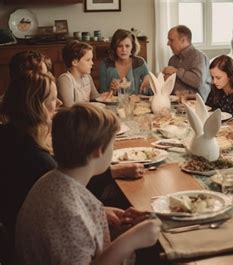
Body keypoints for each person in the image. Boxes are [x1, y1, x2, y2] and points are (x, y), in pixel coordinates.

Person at [16, 103, 161, 264]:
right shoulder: (68, 212)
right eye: (112, 144)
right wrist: (130, 241)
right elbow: (68, 220)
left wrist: (97, 215)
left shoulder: (52, 180)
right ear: (98, 151)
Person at [163, 25, 211, 101]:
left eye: (171, 40)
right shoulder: (172, 60)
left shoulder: (198, 57)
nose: (168, 43)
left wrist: (176, 71)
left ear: (183, 40)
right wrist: (165, 80)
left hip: (195, 105)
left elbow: (198, 81)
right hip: (174, 103)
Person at [99, 29, 151, 95]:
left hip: (135, 104)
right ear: (114, 47)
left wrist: (149, 84)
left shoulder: (140, 62)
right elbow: (102, 93)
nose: (124, 50)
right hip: (113, 105)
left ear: (132, 47)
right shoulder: (105, 64)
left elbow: (150, 93)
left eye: (127, 46)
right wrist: (111, 89)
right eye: (120, 46)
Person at [57, 40, 101, 107]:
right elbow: (69, 108)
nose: (92, 63)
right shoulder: (65, 80)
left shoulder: (87, 77)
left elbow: (96, 97)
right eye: (88, 60)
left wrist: (109, 93)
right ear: (75, 62)